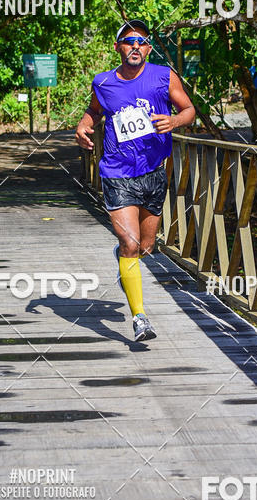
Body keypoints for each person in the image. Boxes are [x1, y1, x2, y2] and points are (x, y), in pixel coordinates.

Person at [75, 19, 196, 342]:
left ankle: (126, 254)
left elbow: (189, 110)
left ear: (149, 48)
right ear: (117, 47)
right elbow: (94, 111)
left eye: (142, 41)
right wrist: (83, 125)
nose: (135, 46)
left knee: (145, 246)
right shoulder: (103, 82)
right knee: (130, 244)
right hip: (117, 172)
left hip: (154, 171)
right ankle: (140, 317)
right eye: (129, 41)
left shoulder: (163, 75)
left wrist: (174, 120)